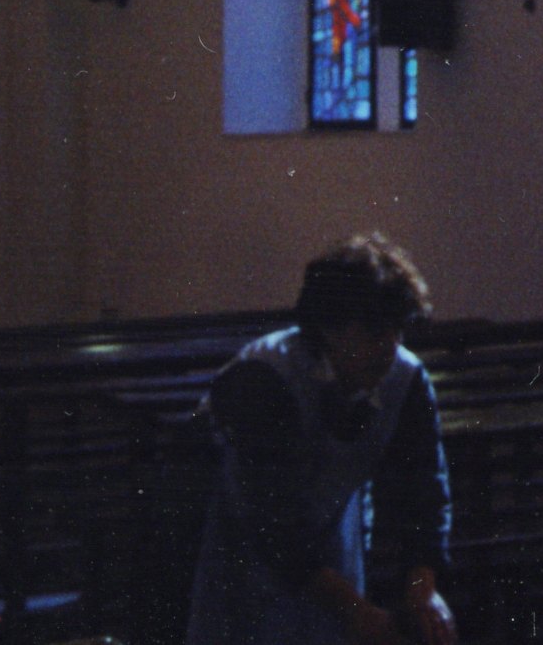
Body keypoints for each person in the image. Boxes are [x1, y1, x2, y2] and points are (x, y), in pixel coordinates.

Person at [186, 233, 456, 645]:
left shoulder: (406, 377)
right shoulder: (263, 375)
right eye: (374, 331)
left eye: (397, 330)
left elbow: (424, 492)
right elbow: (272, 524)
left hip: (333, 549)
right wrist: (356, 611)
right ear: (329, 326)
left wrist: (423, 592)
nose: (390, 346)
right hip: (243, 559)